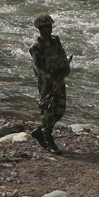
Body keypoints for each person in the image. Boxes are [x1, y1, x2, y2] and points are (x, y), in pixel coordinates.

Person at [29, 13, 72, 154]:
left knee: (60, 110)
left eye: (49, 26)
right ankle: (48, 139)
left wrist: (65, 66)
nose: (48, 29)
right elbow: (40, 68)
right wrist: (51, 82)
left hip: (59, 78)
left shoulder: (55, 41)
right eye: (45, 27)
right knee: (47, 111)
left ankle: (40, 131)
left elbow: (61, 55)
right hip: (47, 83)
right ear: (39, 29)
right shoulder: (36, 47)